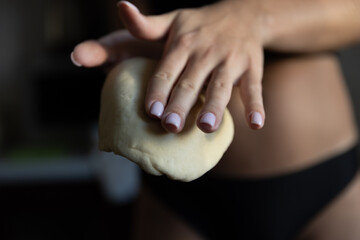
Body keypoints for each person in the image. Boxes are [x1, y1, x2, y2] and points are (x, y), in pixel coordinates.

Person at [71, 0, 360, 239]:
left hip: (319, 188)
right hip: (174, 195)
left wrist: (252, 19)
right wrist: (157, 44)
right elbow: (130, 13)